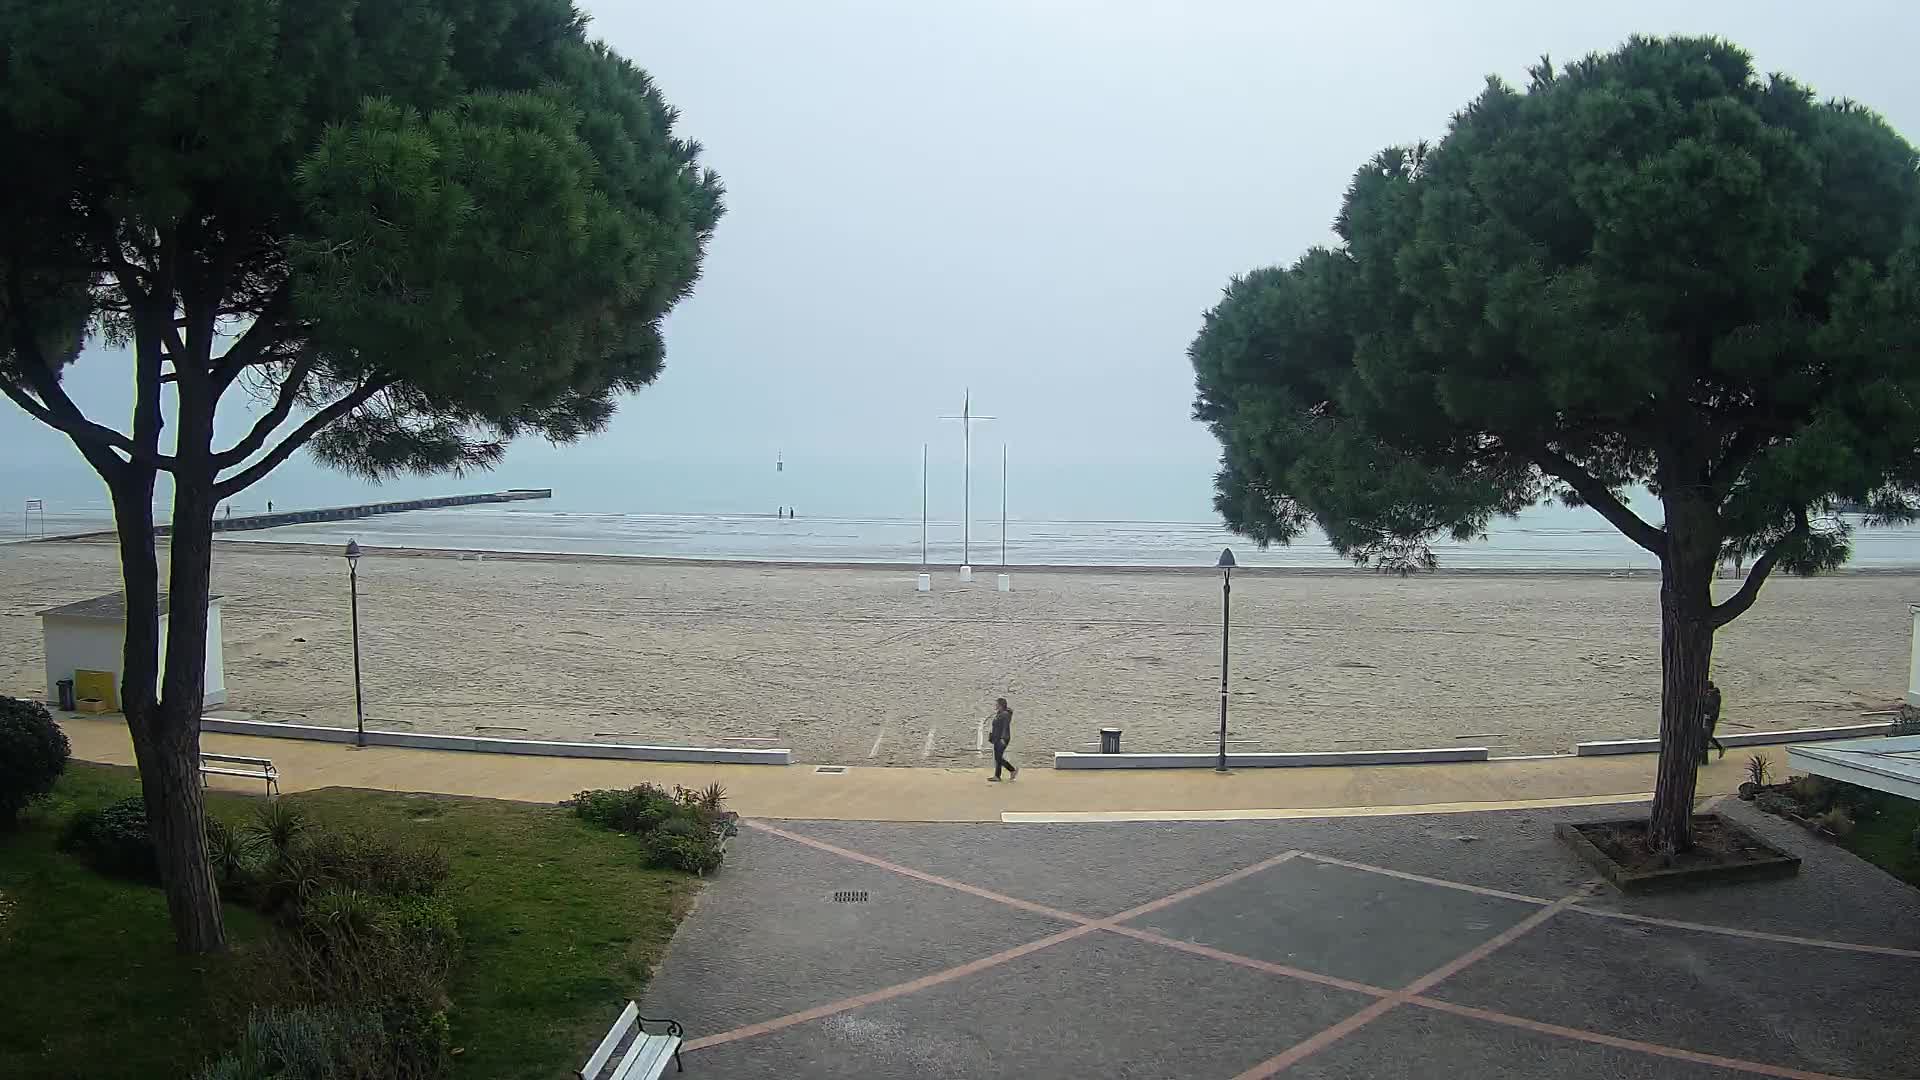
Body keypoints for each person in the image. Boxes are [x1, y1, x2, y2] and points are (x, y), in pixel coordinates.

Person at [988, 697, 1017, 781]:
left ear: (1000, 705)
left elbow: (1005, 727)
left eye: (997, 704)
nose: (995, 705)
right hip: (997, 738)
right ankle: (997, 776)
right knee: (998, 757)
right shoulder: (1000, 713)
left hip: (1002, 739)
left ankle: (1012, 770)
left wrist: (1003, 738)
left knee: (999, 758)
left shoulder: (1005, 714)